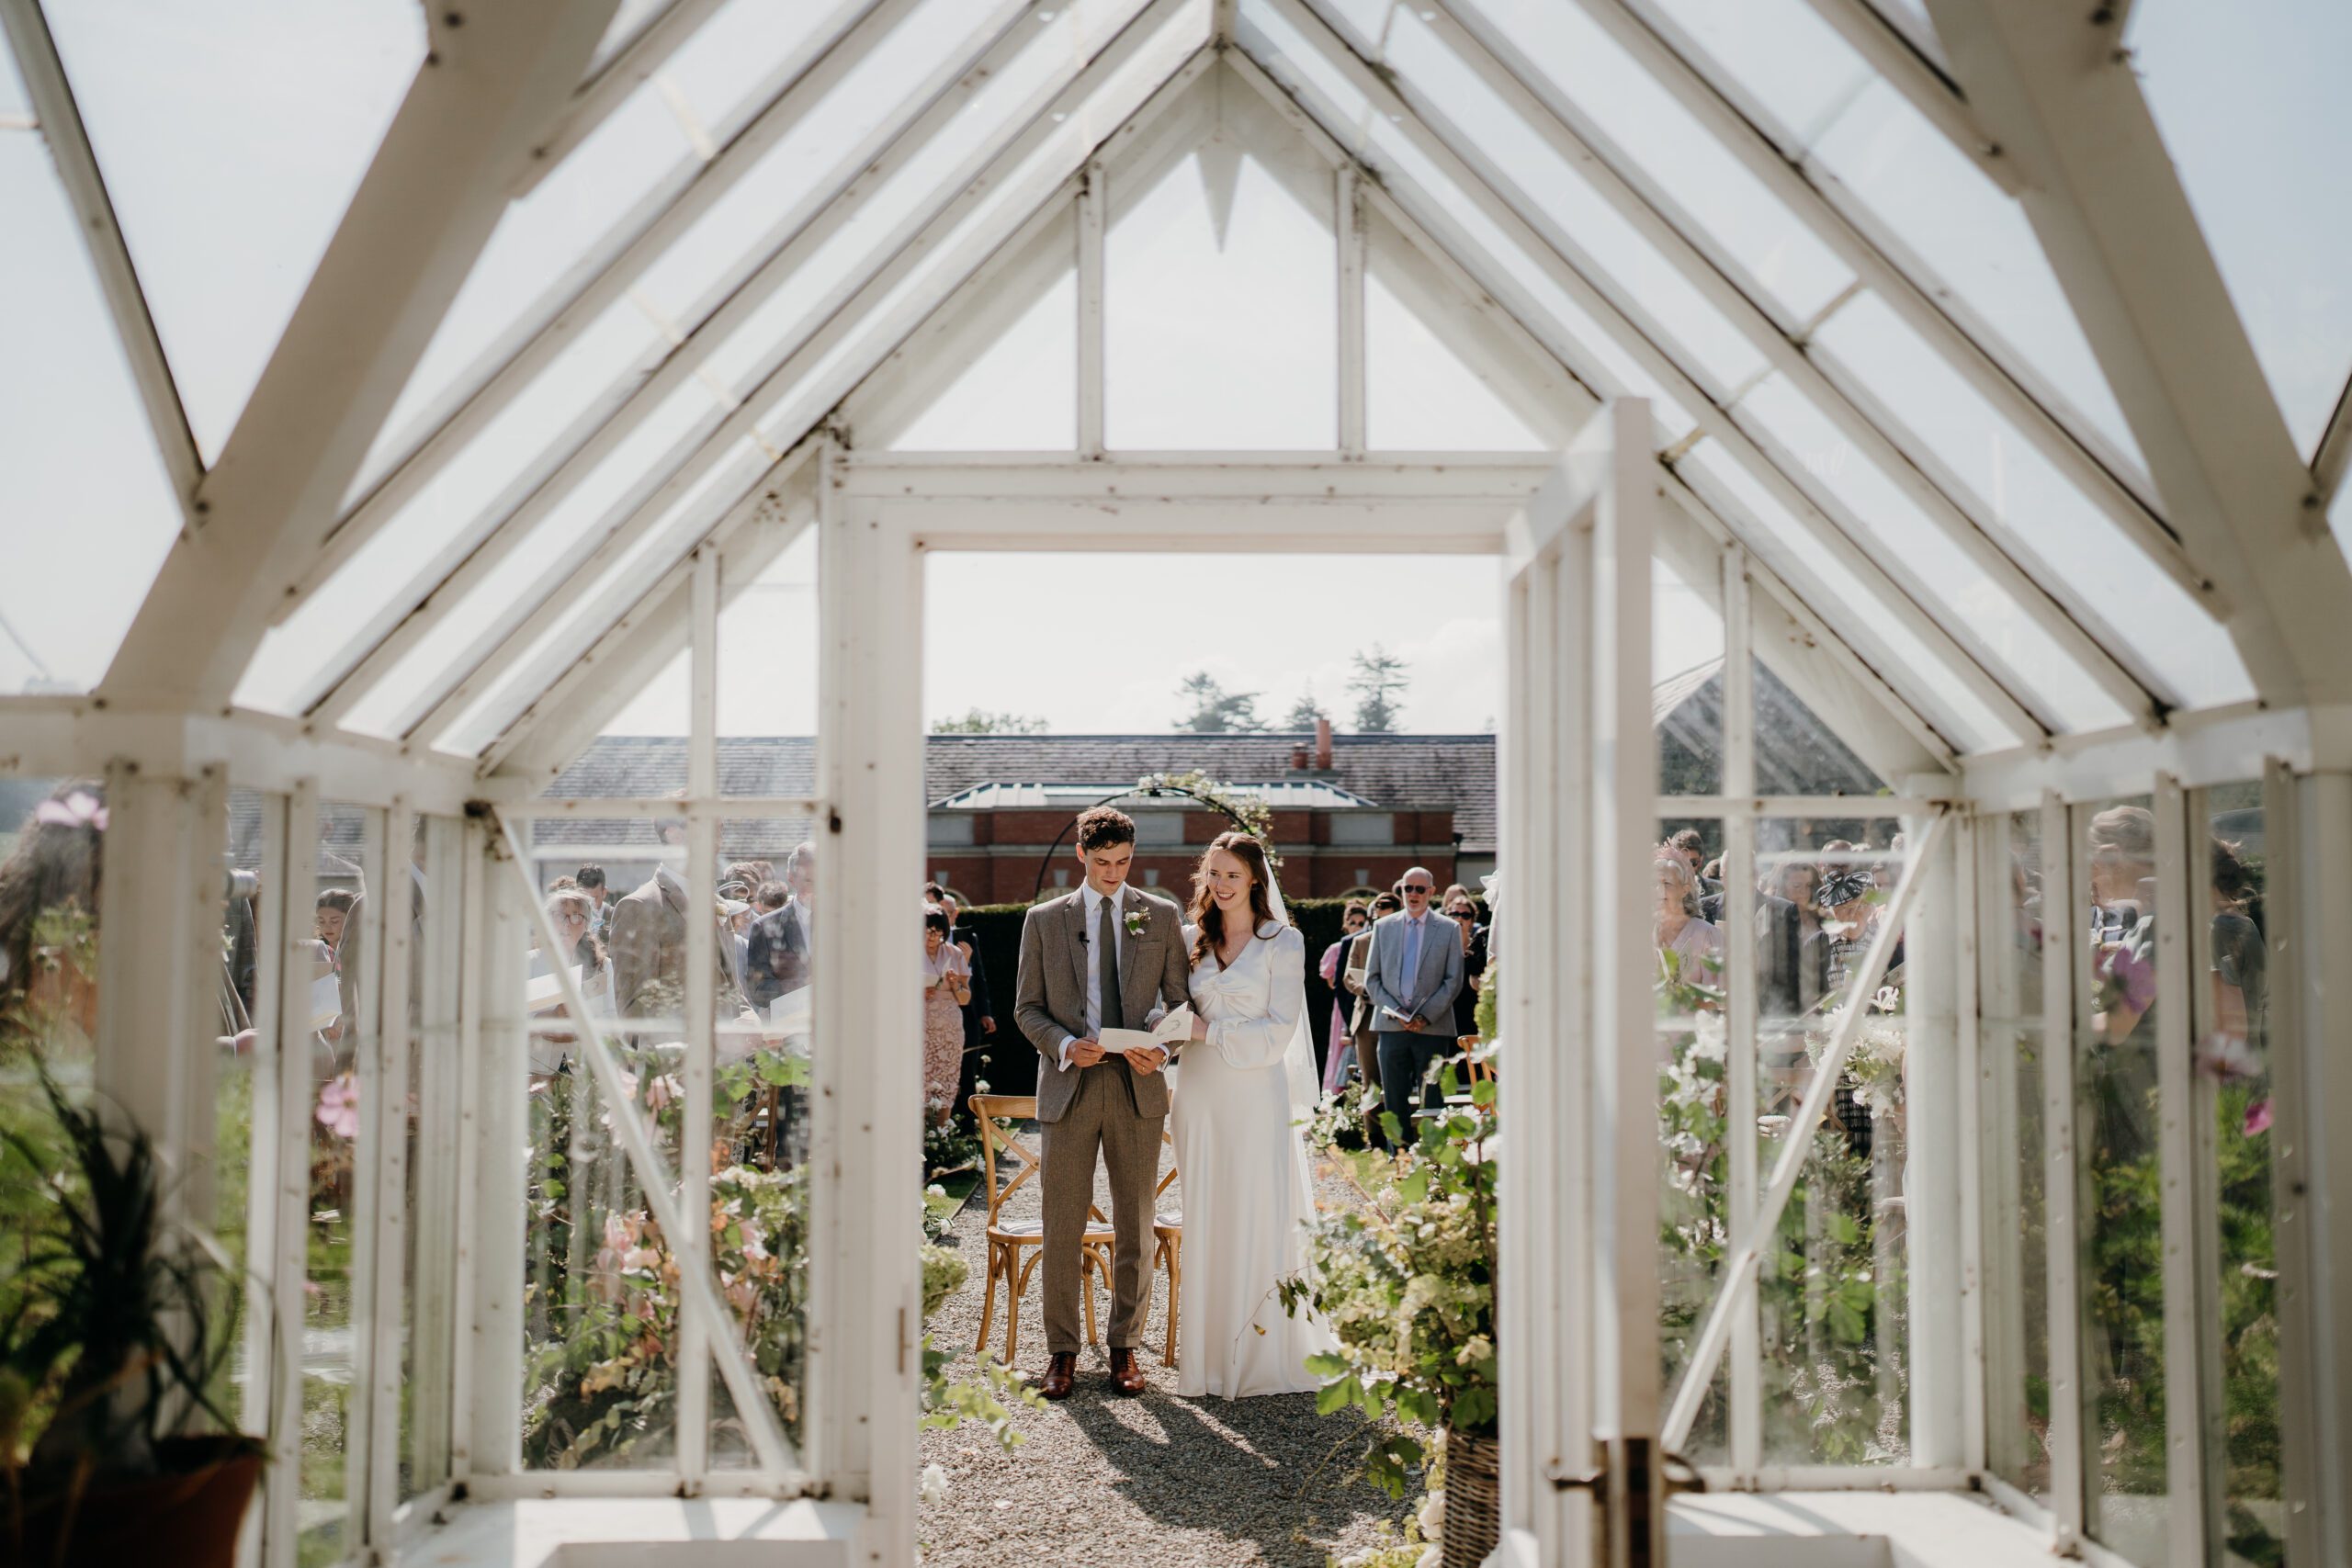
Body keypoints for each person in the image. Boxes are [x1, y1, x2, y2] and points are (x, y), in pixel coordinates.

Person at [1012, 807, 1191, 1400]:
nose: (1114, 874)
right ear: (1082, 857)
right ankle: (1061, 1353)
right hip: (1070, 1085)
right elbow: (1026, 1008)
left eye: (1124, 862)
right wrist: (1065, 1044)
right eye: (1104, 862)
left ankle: (1124, 1348)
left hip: (1138, 1086)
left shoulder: (1160, 915)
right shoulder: (1043, 920)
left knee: (1135, 1221)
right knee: (1061, 1222)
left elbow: (1179, 1003)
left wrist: (1160, 1046)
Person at [1172, 830, 1340, 1397]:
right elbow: (1171, 1006)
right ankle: (1208, 1357)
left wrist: (1209, 1030)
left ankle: (1262, 1349)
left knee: (1256, 1211)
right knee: (1206, 1212)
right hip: (1196, 1093)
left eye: (1231, 875)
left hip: (1254, 1095)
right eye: (1213, 874)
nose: (1220, 885)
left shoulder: (1282, 942)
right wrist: (1163, 1026)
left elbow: (1277, 1034)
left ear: (1255, 881)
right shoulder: (1188, 937)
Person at [1364, 867, 1465, 1142]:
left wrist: (1424, 1017)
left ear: (1432, 892)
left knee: (1432, 1099)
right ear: (1401, 890)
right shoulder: (1383, 927)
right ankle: (1398, 1160)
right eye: (1408, 888)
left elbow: (1454, 980)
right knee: (1394, 1100)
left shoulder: (1449, 928)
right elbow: (1371, 979)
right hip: (1390, 1026)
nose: (1414, 894)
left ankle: (1433, 1165)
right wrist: (1396, 1013)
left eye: (1420, 889)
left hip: (1432, 1029)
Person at [1341, 891, 1402, 1122]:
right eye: (1377, 920)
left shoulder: (1405, 943)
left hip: (1396, 1015)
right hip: (1366, 1013)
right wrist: (1365, 989)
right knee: (1370, 1079)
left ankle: (1399, 1134)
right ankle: (1374, 1135)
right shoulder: (1361, 942)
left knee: (1396, 1078)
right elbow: (1348, 977)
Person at [745, 842, 816, 1018]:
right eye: (809, 880)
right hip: (790, 1035)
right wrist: (804, 989)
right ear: (791, 877)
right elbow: (758, 990)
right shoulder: (763, 927)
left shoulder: (849, 924)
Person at [920, 904, 971, 1120]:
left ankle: (942, 1136)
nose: (933, 936)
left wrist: (954, 984)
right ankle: (920, 1142)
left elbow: (965, 998)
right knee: (918, 1080)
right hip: (920, 1027)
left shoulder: (954, 953)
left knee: (947, 1081)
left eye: (938, 931)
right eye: (928, 930)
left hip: (949, 1031)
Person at [1317, 899, 1370, 1095]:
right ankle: (1336, 1090)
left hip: (1361, 999)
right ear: (1345, 924)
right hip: (1343, 1006)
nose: (1356, 926)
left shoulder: (1367, 944)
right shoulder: (1337, 949)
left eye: (1360, 922)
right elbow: (1333, 982)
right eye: (1353, 922)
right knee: (1339, 1048)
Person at [1654, 847, 1724, 986]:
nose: (1659, 890)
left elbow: (1717, 997)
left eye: (1667, 883)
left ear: (1684, 890)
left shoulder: (1706, 935)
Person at [1443, 890, 1487, 1040]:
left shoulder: (1479, 950)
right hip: (1446, 1019)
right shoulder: (1439, 950)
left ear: (1472, 921)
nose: (1459, 918)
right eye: (1454, 914)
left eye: (1465, 915)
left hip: (1471, 1019)